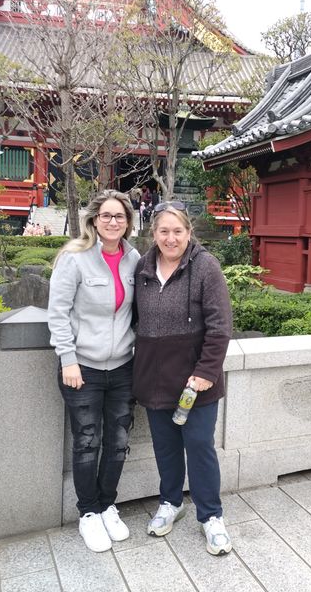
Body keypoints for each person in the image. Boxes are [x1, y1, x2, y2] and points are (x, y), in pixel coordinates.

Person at [132, 201, 234, 556]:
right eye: (163, 231)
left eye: (178, 231)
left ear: (189, 233)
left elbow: (220, 327)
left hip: (195, 379)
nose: (171, 238)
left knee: (199, 446)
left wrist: (206, 372)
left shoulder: (205, 266)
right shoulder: (142, 267)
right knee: (165, 446)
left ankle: (210, 515)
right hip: (154, 374)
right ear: (153, 233)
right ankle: (170, 501)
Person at [47, 190, 140, 552]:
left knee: (118, 441)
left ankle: (107, 505)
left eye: (120, 216)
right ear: (94, 220)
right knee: (87, 441)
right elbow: (58, 312)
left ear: (129, 222)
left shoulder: (135, 260)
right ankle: (88, 512)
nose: (113, 222)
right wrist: (67, 359)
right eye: (107, 216)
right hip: (81, 367)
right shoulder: (75, 258)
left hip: (123, 367)